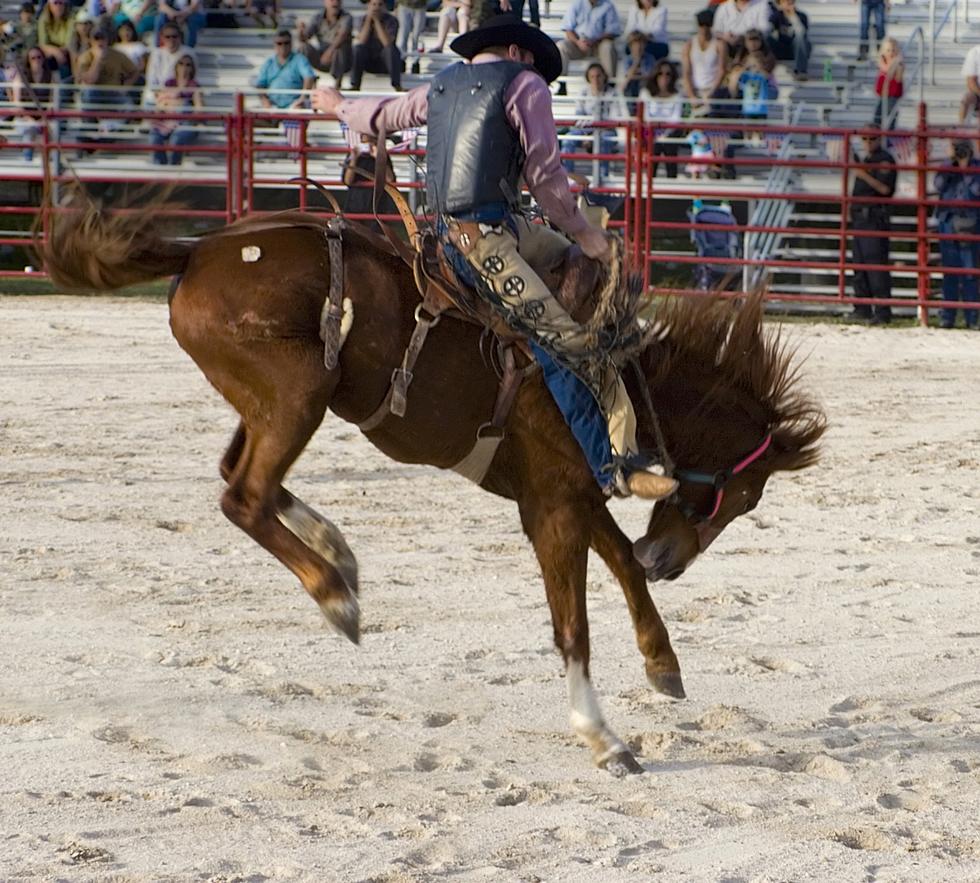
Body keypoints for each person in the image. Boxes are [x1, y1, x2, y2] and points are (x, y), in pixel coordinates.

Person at [311, 15, 676, 500]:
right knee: (560, 341)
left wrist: (337, 106)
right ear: (521, 53)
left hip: (457, 233)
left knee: (573, 264)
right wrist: (585, 232)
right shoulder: (525, 86)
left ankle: (613, 367)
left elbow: (383, 116)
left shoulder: (440, 85)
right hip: (486, 243)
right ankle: (612, 467)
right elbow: (543, 177)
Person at [849, 129, 896, 324]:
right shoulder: (867, 160)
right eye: (865, 138)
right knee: (859, 266)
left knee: (875, 265)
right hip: (860, 218)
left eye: (872, 138)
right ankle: (862, 308)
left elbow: (885, 190)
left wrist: (863, 174)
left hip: (873, 218)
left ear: (879, 139)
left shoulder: (884, 159)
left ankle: (882, 311)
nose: (868, 142)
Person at [933, 139, 980, 329]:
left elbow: (977, 191)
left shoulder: (977, 167)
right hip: (948, 220)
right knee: (950, 270)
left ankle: (972, 318)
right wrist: (951, 164)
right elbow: (938, 185)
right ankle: (948, 317)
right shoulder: (947, 167)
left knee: (970, 272)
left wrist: (966, 166)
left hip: (971, 222)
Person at [560, 61, 626, 181]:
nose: (596, 79)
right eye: (592, 76)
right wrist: (587, 135)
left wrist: (594, 134)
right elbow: (579, 116)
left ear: (604, 77)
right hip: (585, 131)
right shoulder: (583, 93)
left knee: (603, 141)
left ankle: (602, 178)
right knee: (568, 139)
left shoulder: (613, 93)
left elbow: (613, 119)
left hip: (606, 131)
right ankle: (567, 177)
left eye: (598, 76)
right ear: (588, 78)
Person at [150, 49, 202, 163]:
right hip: (166, 119)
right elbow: (161, 103)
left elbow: (199, 108)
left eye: (188, 65)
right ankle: (160, 169)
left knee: (176, 139)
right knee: (154, 138)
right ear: (176, 66)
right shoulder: (169, 83)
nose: (184, 67)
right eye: (181, 63)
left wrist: (178, 103)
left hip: (186, 121)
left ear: (192, 68)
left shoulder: (194, 86)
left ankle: (173, 170)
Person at [11, 43, 57, 161]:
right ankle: (28, 161)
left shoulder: (51, 76)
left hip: (45, 117)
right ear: (28, 60)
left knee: (52, 130)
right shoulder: (21, 76)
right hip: (25, 118)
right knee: (30, 131)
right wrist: (31, 120)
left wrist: (43, 118)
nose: (36, 60)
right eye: (33, 58)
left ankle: (52, 163)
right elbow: (17, 105)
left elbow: (53, 102)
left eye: (39, 57)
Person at [557, 0, 621, 82]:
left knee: (608, 47)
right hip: (578, 44)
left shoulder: (608, 6)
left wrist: (595, 40)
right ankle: (562, 83)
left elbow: (612, 31)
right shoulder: (576, 4)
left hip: (599, 45)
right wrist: (578, 42)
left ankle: (610, 83)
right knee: (561, 46)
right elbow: (568, 29)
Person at [256, 29, 316, 110]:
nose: (283, 46)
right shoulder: (269, 62)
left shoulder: (299, 59)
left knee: (298, 112)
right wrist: (264, 100)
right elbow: (260, 84)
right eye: (279, 43)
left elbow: (309, 77)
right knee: (251, 120)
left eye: (286, 43)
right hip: (272, 105)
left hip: (294, 105)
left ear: (291, 44)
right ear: (275, 45)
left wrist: (302, 98)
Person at [682, 9, 726, 117]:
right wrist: (692, 96)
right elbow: (686, 72)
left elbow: (722, 70)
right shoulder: (689, 45)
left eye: (708, 25)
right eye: (702, 25)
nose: (704, 29)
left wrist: (711, 93)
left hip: (712, 90)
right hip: (694, 90)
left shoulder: (719, 45)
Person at [298, 0, 352, 87]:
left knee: (339, 48)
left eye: (337, 0)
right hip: (321, 56)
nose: (335, 3)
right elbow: (305, 38)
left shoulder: (347, 17)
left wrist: (329, 52)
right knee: (303, 48)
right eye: (331, 0)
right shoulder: (318, 17)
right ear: (325, 2)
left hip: (342, 60)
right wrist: (301, 31)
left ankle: (337, 85)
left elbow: (343, 35)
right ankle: (307, 79)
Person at [643, 60, 683, 178]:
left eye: (668, 74)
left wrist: (663, 129)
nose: (664, 77)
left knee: (669, 144)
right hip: (650, 132)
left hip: (669, 132)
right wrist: (658, 127)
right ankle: (649, 184)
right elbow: (646, 116)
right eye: (660, 73)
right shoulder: (646, 93)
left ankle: (672, 184)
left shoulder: (677, 95)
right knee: (654, 146)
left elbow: (676, 118)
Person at [350, 0, 401, 92]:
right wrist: (369, 20)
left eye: (380, 4)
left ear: (384, 6)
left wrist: (377, 22)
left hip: (385, 62)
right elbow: (362, 41)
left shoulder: (392, 20)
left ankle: (397, 85)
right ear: (368, 6)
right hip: (368, 61)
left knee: (390, 49)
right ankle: (355, 85)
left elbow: (387, 43)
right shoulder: (362, 19)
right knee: (358, 48)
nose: (376, 7)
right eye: (374, 4)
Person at [622, 0, 669, 100]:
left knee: (641, 48)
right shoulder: (633, 9)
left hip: (656, 43)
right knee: (631, 47)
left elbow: (657, 30)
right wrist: (637, 38)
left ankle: (646, 70)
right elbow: (629, 28)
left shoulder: (661, 10)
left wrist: (640, 37)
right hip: (638, 40)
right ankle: (635, 67)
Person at [143, 22, 194, 106]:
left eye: (174, 36)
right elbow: (151, 78)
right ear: (162, 38)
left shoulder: (189, 53)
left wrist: (173, 94)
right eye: (167, 37)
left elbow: (191, 79)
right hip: (156, 95)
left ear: (180, 37)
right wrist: (160, 94)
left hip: (179, 96)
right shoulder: (156, 53)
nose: (171, 39)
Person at [768, 0, 810, 81]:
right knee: (767, 38)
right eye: (785, 2)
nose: (788, 4)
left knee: (799, 38)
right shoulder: (777, 16)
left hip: (799, 49)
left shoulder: (802, 16)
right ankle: (765, 69)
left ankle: (801, 71)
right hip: (783, 48)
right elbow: (768, 28)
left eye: (791, 2)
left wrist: (793, 17)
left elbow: (801, 32)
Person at [37, 0, 75, 80]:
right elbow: (43, 44)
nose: (58, 6)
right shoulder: (43, 19)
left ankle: (66, 85)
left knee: (66, 57)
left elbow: (69, 43)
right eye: (55, 3)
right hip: (51, 51)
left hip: (66, 51)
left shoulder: (71, 18)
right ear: (49, 5)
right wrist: (56, 52)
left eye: (60, 3)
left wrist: (59, 52)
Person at [873, 36, 902, 128]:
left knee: (891, 112)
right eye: (888, 50)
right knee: (878, 113)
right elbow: (885, 69)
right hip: (883, 93)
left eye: (893, 50)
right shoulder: (883, 61)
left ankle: (890, 131)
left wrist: (897, 63)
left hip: (893, 93)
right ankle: (876, 129)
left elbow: (898, 77)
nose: (891, 53)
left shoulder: (898, 63)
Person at [959, 43, 980, 124]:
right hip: (978, 93)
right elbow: (971, 82)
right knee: (967, 98)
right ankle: (961, 127)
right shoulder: (975, 52)